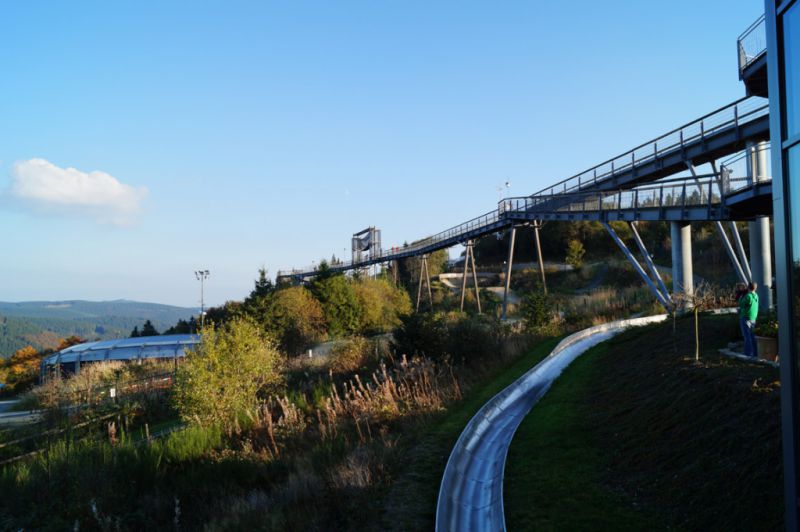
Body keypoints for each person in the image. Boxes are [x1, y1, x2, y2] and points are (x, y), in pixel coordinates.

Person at [739, 282, 759, 358]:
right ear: (755, 288)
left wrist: (741, 296)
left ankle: (747, 353)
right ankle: (755, 353)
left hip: (745, 317)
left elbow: (741, 304)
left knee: (746, 336)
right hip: (753, 318)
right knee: (753, 336)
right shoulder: (756, 295)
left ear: (748, 287)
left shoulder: (748, 296)